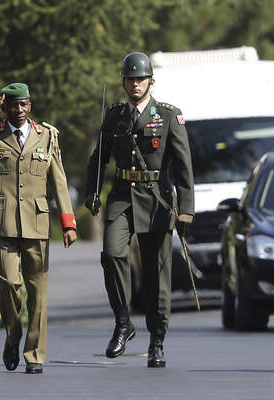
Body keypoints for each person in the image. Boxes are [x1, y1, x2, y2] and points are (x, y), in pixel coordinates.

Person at [0, 83, 77, 374]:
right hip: (3, 223)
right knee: (8, 284)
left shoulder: (46, 136)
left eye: (24, 105)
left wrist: (68, 222)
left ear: (30, 106)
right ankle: (13, 335)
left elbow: (58, 181)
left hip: (37, 222)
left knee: (39, 294)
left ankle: (34, 354)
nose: (19, 111)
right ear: (4, 107)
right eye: (13, 105)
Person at [84, 52, 194, 368]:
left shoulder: (169, 116)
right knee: (112, 254)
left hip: (157, 200)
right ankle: (123, 322)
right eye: (130, 79)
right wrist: (92, 191)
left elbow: (184, 167)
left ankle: (156, 341)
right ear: (123, 82)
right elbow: (98, 160)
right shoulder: (115, 115)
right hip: (122, 196)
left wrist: (186, 210)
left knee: (157, 277)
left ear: (151, 81)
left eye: (141, 79)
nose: (135, 84)